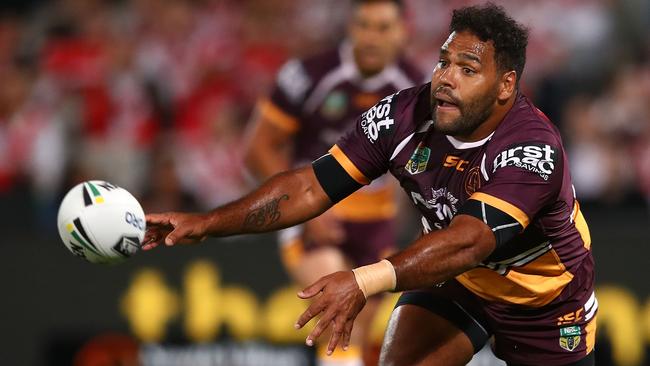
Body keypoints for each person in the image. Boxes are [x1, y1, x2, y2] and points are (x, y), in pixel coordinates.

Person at [144, 4, 597, 366]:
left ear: (506, 86)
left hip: (545, 301)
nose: (446, 78)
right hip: (455, 279)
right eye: (443, 62)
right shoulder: (403, 116)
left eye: (467, 69)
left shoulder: (532, 148)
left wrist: (363, 281)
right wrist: (207, 222)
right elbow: (308, 187)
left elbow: (470, 241)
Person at [243, 0, 423, 363]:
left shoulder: (418, 87)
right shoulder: (308, 75)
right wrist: (306, 209)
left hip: (377, 222)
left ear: (403, 32)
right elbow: (257, 149)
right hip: (311, 212)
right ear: (349, 27)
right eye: (363, 25)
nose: (371, 37)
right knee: (337, 315)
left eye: (383, 27)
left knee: (352, 339)